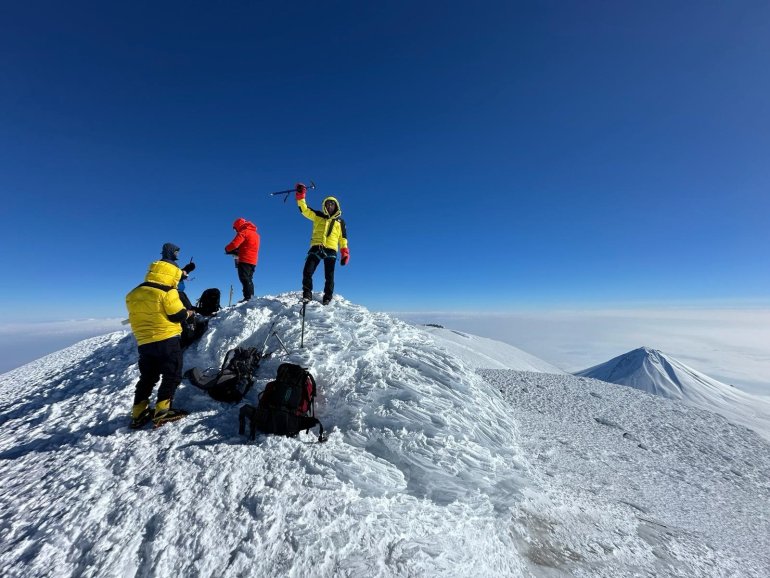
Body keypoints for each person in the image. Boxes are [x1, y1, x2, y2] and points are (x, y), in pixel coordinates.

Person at [125, 243, 194, 428]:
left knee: (148, 377)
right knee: (172, 374)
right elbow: (177, 315)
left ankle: (138, 412)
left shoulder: (134, 292)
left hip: (144, 342)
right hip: (167, 339)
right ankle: (162, 411)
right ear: (172, 274)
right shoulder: (168, 291)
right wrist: (189, 313)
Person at [295, 183, 349, 305]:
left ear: (336, 206)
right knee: (307, 271)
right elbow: (304, 210)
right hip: (316, 247)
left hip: (331, 249)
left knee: (329, 276)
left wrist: (344, 252)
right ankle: (307, 295)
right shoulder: (318, 215)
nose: (329, 206)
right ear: (324, 205)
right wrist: (301, 195)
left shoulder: (340, 222)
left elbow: (343, 238)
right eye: (327, 204)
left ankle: (327, 298)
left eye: (332, 204)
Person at [225, 218, 260, 303]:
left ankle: (248, 298)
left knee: (244, 279)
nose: (235, 230)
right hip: (253, 260)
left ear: (238, 225)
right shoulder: (256, 234)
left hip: (245, 259)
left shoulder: (244, 232)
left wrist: (227, 249)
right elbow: (248, 246)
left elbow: (234, 244)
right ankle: (251, 298)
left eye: (235, 228)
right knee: (249, 279)